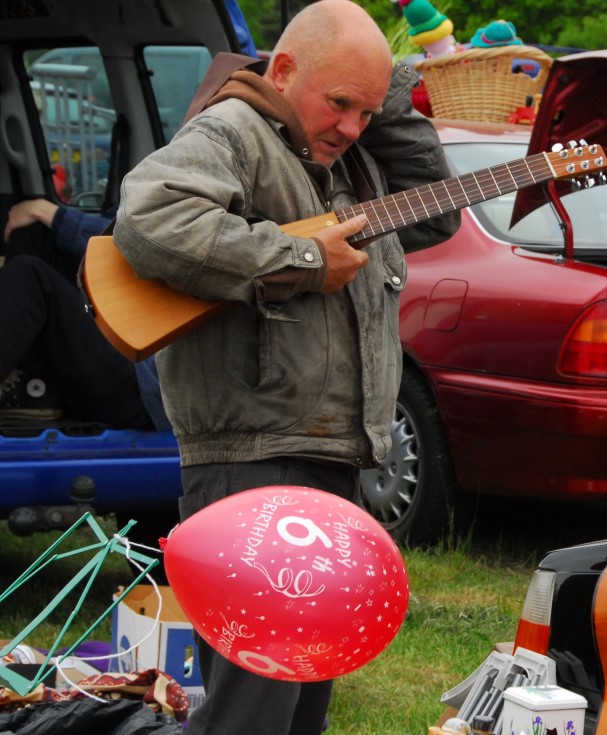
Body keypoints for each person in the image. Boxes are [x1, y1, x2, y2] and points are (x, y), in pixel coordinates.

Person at [112, 1, 458, 734]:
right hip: (254, 465)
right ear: (285, 68)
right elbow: (150, 216)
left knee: (301, 697)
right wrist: (302, 257)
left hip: (323, 458)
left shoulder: (347, 156)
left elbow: (438, 215)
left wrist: (385, 98)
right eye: (340, 104)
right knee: (254, 708)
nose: (352, 128)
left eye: (366, 113)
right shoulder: (232, 132)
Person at [0, 202, 167, 428]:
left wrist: (57, 216)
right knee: (33, 235)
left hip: (146, 386)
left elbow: (149, 249)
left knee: (30, 276)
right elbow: (127, 227)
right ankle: (31, 387)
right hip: (132, 341)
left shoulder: (206, 202)